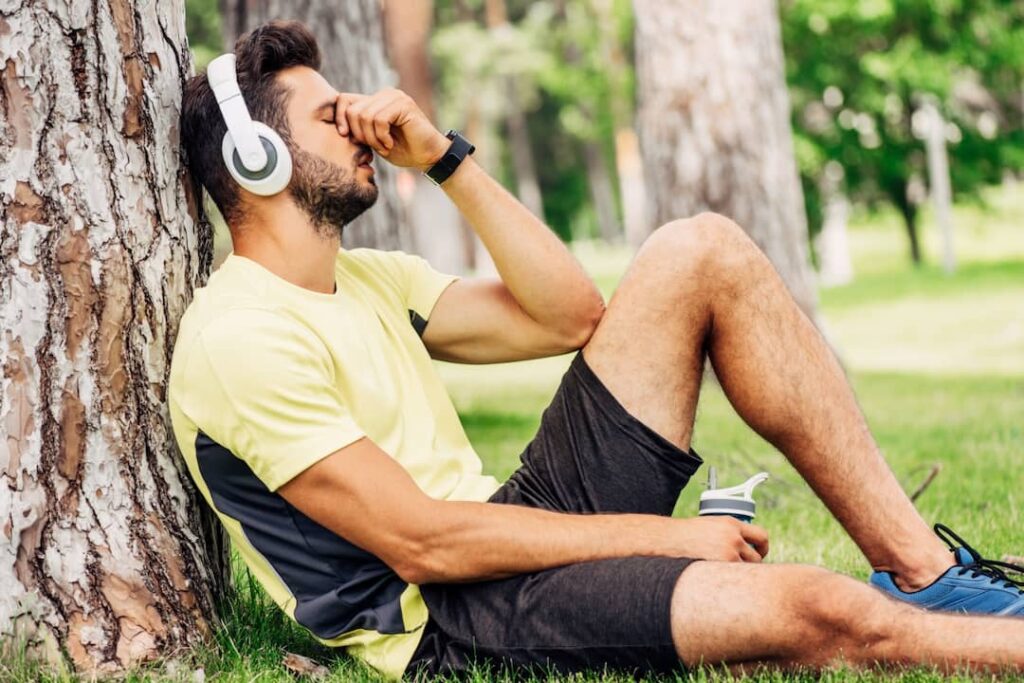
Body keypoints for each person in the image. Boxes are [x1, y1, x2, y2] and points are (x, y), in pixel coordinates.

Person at [171, 19, 1024, 681]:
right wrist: (667, 540)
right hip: (451, 623)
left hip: (511, 521)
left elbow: (568, 315)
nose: (361, 124)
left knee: (699, 251)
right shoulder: (241, 338)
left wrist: (444, 159)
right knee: (813, 607)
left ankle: (924, 570)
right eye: (330, 116)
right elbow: (425, 544)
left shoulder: (365, 279)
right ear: (256, 156)